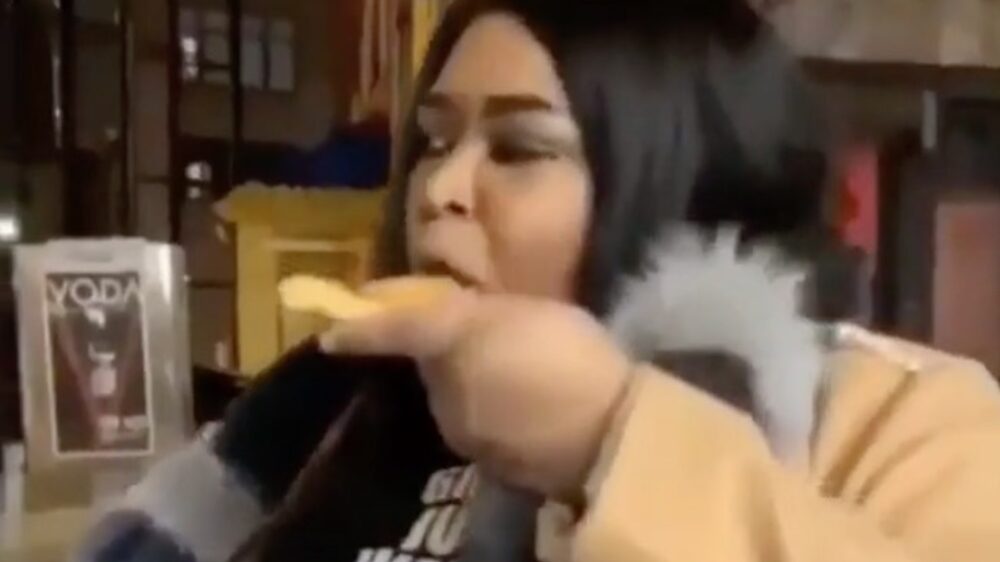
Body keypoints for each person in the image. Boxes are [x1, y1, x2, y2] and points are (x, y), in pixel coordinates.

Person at [76, 1, 1000, 561]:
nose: (439, 189)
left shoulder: (903, 418)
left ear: (684, 174)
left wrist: (611, 438)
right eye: (435, 141)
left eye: (520, 149)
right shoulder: (330, 407)